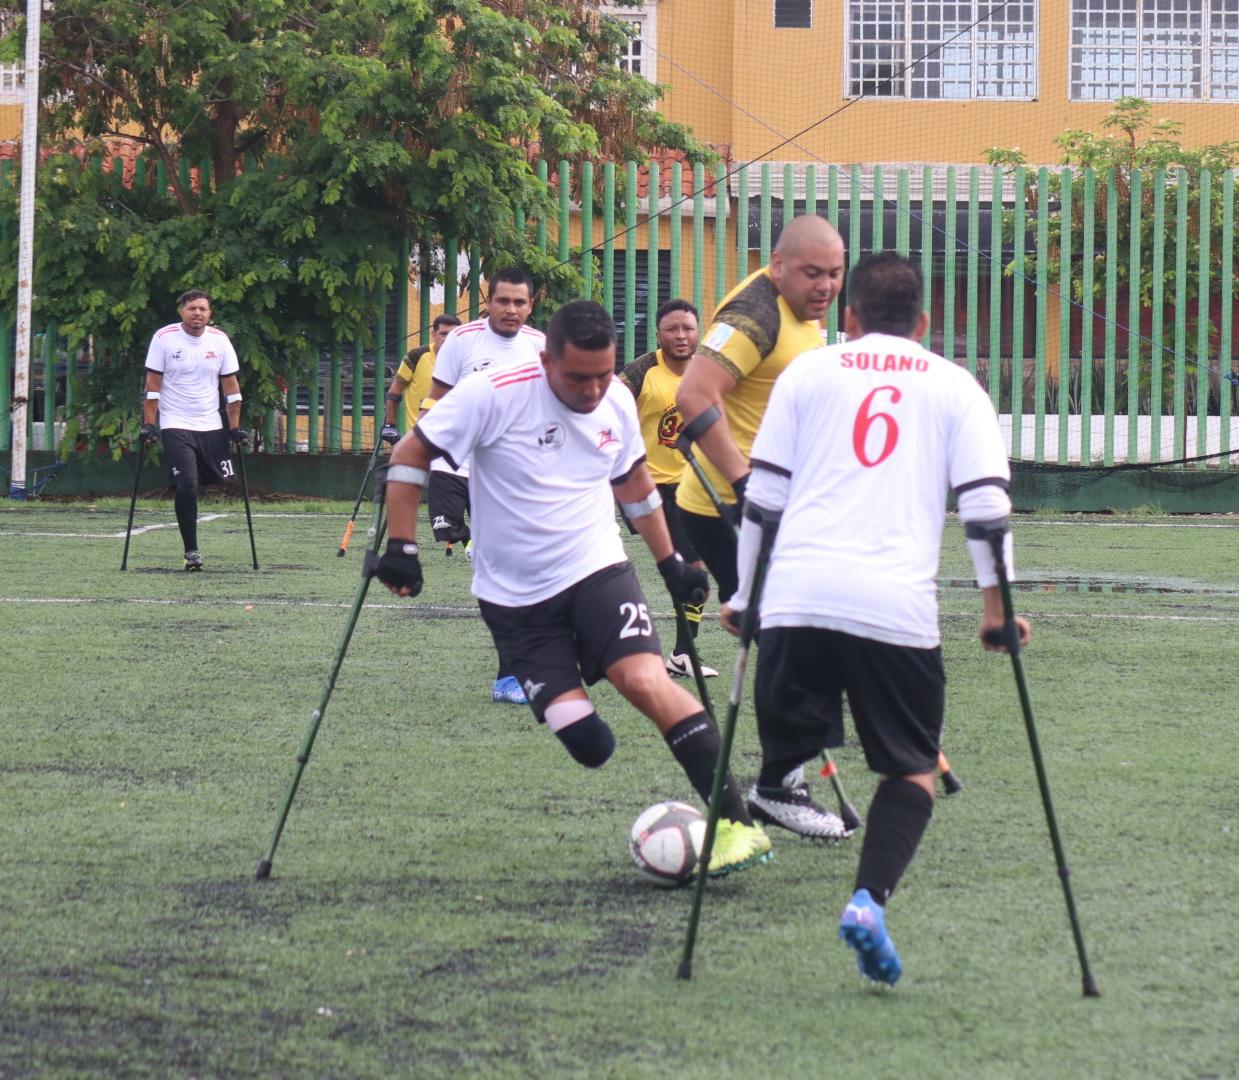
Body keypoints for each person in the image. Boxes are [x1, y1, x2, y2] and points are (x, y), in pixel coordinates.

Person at [376, 299, 773, 876]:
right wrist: (402, 546)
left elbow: (633, 480)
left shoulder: (616, 397)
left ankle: (737, 826)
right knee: (590, 744)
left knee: (646, 681)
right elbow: (412, 451)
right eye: (578, 378)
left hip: (596, 570)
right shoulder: (492, 393)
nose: (592, 391)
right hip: (515, 599)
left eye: (602, 375)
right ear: (547, 361)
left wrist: (669, 563)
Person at [722, 252, 1030, 985]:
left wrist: (745, 596)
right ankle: (867, 901)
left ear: (849, 318)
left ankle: (781, 783)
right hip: (893, 609)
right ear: (922, 324)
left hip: (796, 600)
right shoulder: (955, 386)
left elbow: (763, 495)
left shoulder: (807, 373)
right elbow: (985, 507)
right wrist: (998, 613)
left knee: (789, 748)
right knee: (911, 770)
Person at [675, 213, 848, 839]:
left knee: (802, 632)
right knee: (796, 637)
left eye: (835, 273)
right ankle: (780, 786)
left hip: (782, 507)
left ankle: (785, 776)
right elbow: (694, 396)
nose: (825, 285)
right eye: (812, 272)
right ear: (778, 266)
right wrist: (747, 484)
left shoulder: (803, 311)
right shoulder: (755, 313)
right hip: (731, 508)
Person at [422, 268, 546, 704]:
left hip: (516, 476)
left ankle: (517, 671)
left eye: (519, 302)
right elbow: (436, 399)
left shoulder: (540, 346)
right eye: (502, 301)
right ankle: (510, 676)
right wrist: (419, 449)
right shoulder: (462, 340)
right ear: (487, 302)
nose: (511, 309)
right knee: (498, 573)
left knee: (523, 573)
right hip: (461, 465)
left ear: (531, 305)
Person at [617, 298, 717, 681]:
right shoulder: (640, 372)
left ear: (698, 332)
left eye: (688, 328)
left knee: (694, 569)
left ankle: (682, 654)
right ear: (658, 333)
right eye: (672, 328)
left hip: (692, 485)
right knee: (685, 568)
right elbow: (607, 410)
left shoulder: (708, 370)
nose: (681, 335)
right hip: (648, 486)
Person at [140, 290, 246, 571]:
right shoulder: (164, 338)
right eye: (191, 308)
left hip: (210, 424)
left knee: (223, 483)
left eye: (202, 309)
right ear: (182, 312)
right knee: (188, 483)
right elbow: (152, 385)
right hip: (175, 422)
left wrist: (235, 428)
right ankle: (192, 551)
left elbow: (231, 387)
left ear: (209, 313)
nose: (197, 313)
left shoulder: (220, 340)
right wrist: (149, 423)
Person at [380, 313, 462, 443]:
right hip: (418, 437)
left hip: (453, 438)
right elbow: (395, 391)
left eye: (453, 335)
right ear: (433, 334)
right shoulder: (417, 356)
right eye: (443, 334)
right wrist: (390, 425)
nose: (448, 339)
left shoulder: (466, 359)